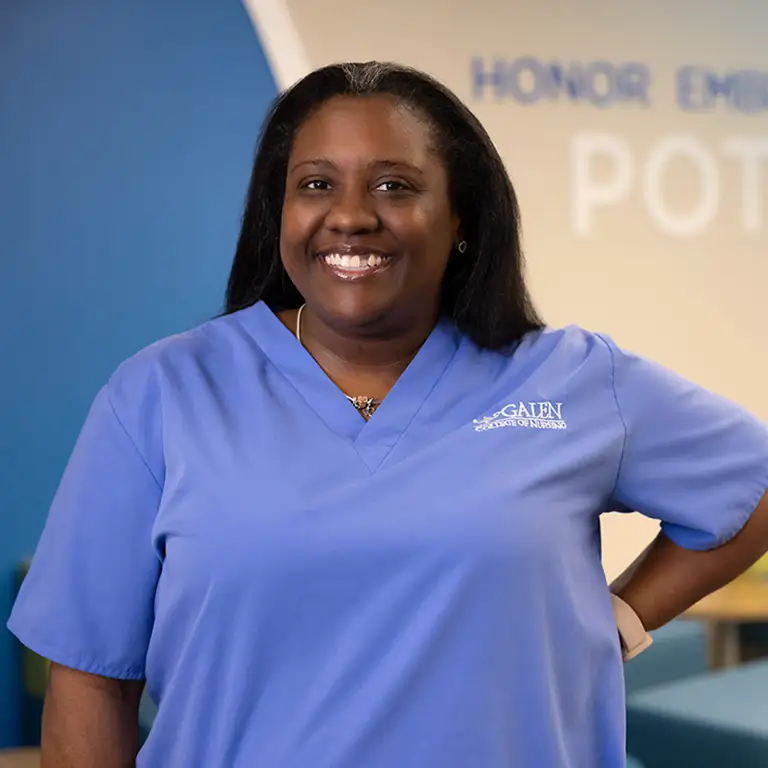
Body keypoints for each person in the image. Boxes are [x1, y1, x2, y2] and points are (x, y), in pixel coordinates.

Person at [8, 61, 768, 768]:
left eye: (394, 187)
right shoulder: (163, 394)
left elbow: (752, 488)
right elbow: (91, 681)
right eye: (314, 185)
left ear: (462, 217)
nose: (350, 217)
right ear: (279, 210)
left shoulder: (571, 379)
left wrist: (624, 617)